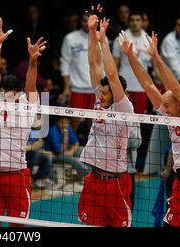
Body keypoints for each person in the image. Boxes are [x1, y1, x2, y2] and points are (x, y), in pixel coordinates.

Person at [118, 29, 180, 227]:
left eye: (167, 106)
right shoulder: (169, 114)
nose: (163, 110)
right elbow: (148, 84)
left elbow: (175, 86)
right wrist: (130, 56)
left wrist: (156, 57)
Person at [0, 17, 43, 227]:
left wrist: (33, 60)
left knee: (18, 227)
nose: (9, 99)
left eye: (14, 95)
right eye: (6, 94)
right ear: (1, 93)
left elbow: (31, 83)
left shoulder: (28, 104)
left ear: (19, 95)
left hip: (17, 175)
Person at [77, 5, 134, 227]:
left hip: (116, 183)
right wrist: (92, 31)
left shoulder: (124, 108)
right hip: (93, 180)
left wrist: (103, 42)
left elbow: (111, 74)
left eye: (105, 93)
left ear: (116, 93)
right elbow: (93, 63)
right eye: (99, 92)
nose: (100, 96)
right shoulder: (99, 101)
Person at [59, 13, 100, 134]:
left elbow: (104, 65)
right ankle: (71, 150)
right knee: (74, 125)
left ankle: (91, 151)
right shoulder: (70, 38)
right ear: (81, 22)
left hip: (96, 89)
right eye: (84, 20)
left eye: (90, 21)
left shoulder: (102, 38)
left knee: (94, 126)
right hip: (77, 89)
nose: (87, 23)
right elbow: (65, 62)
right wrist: (66, 87)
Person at [112, 11, 157, 114]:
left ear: (142, 22)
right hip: (124, 88)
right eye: (132, 20)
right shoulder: (120, 39)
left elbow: (156, 68)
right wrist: (113, 85)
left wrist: (166, 86)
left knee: (139, 121)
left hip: (142, 88)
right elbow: (115, 65)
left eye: (137, 20)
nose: (135, 23)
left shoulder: (149, 40)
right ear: (128, 22)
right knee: (123, 120)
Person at [43, 117, 88, 189]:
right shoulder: (52, 131)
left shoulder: (68, 128)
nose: (64, 125)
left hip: (66, 150)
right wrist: (65, 136)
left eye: (66, 123)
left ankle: (84, 177)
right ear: (57, 123)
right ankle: (85, 178)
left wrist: (71, 151)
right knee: (75, 160)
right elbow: (60, 151)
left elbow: (76, 143)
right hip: (54, 155)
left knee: (84, 151)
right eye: (62, 122)